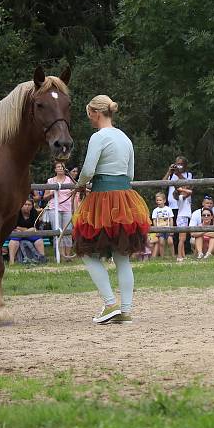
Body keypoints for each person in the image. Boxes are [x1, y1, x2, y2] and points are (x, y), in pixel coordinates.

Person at [73, 94, 150, 324]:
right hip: (125, 199)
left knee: (86, 251)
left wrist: (80, 186)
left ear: (95, 113)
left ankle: (109, 304)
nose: (90, 119)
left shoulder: (98, 137)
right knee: (122, 256)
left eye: (89, 115)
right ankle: (125, 310)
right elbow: (130, 174)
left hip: (102, 199)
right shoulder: (125, 138)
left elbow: (87, 171)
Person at [43, 161, 75, 261]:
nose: (60, 168)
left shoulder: (70, 180)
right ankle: (60, 255)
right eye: (58, 166)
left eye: (62, 167)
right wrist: (52, 193)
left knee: (68, 232)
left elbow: (74, 194)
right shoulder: (50, 181)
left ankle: (68, 256)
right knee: (57, 232)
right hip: (54, 208)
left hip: (67, 208)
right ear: (55, 169)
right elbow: (44, 197)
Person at [163, 155, 193, 261]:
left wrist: (178, 174)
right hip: (172, 206)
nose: (179, 166)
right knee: (175, 232)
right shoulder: (171, 175)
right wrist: (169, 172)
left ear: (185, 165)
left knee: (184, 233)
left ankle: (186, 252)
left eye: (181, 164)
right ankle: (177, 253)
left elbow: (188, 186)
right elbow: (162, 184)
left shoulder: (188, 174)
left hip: (183, 205)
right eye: (177, 164)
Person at [8, 198, 46, 264]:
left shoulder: (34, 212)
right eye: (25, 204)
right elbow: (14, 227)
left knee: (39, 240)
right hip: (17, 233)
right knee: (14, 241)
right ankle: (11, 261)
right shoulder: (16, 212)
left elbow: (35, 227)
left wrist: (24, 230)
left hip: (29, 233)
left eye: (29, 205)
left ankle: (42, 259)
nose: (27, 206)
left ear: (32, 206)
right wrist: (26, 229)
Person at [150, 191, 175, 258]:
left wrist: (171, 229)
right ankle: (162, 257)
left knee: (170, 242)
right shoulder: (155, 210)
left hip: (168, 228)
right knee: (161, 243)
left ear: (164, 201)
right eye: (157, 200)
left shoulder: (168, 209)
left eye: (160, 200)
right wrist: (156, 230)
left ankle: (173, 256)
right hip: (160, 229)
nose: (158, 202)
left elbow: (171, 219)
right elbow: (154, 220)